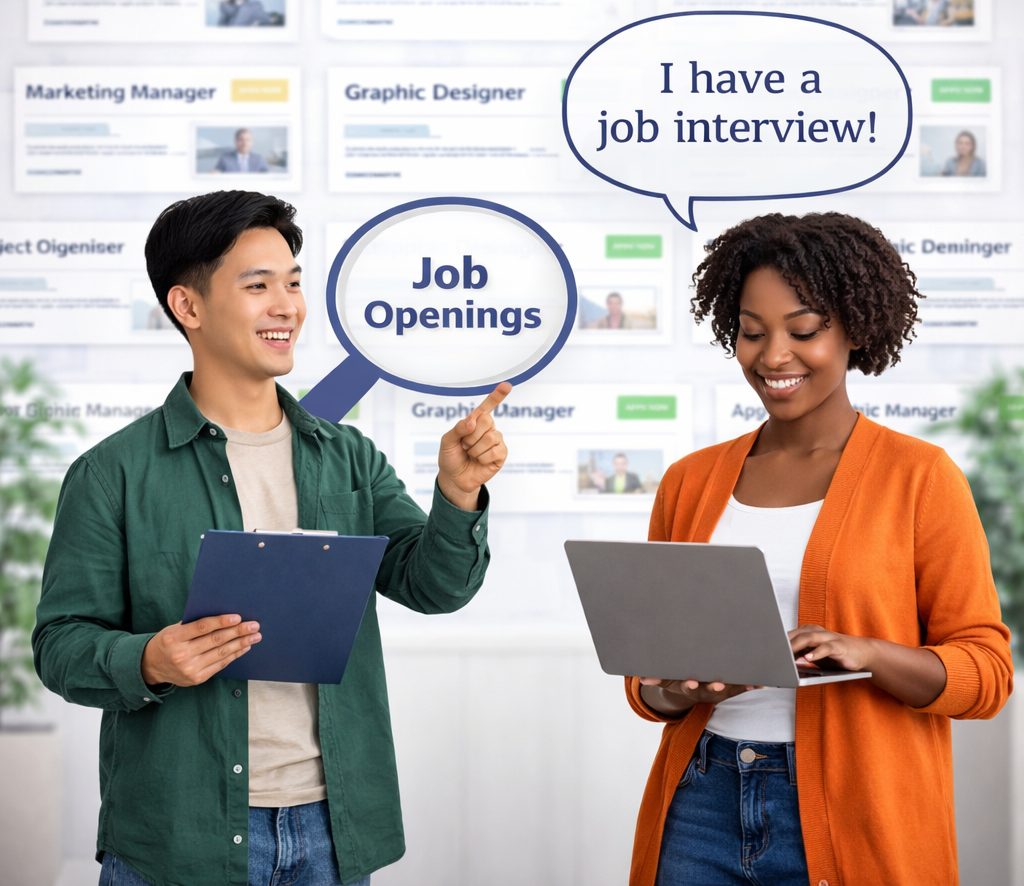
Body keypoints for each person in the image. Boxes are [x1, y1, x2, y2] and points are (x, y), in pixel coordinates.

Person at [33, 189, 511, 886]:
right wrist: (149, 659)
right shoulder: (113, 473)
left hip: (330, 828)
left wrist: (459, 491)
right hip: (180, 834)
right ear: (188, 307)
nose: (287, 305)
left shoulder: (347, 456)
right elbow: (60, 645)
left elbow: (434, 586)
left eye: (292, 282)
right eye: (258, 286)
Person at [626, 212, 1012, 886]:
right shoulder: (690, 482)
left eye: (803, 331)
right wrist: (672, 688)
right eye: (751, 332)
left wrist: (869, 654)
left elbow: (986, 675)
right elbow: (646, 679)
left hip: (856, 809)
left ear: (856, 329)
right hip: (702, 800)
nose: (774, 356)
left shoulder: (920, 478)